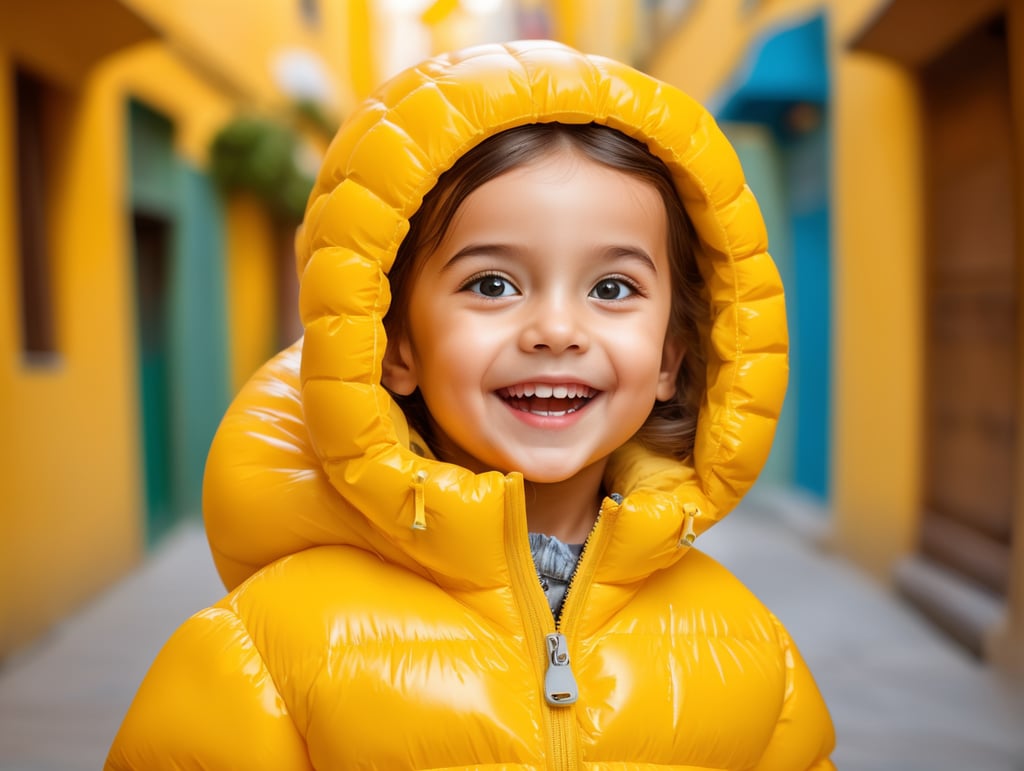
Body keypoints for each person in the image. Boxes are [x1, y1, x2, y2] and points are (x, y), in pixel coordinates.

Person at [106, 40, 836, 770]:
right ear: (392, 346)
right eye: (492, 284)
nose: (556, 330)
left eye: (612, 288)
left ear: (672, 357)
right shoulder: (265, 654)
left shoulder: (752, 654)